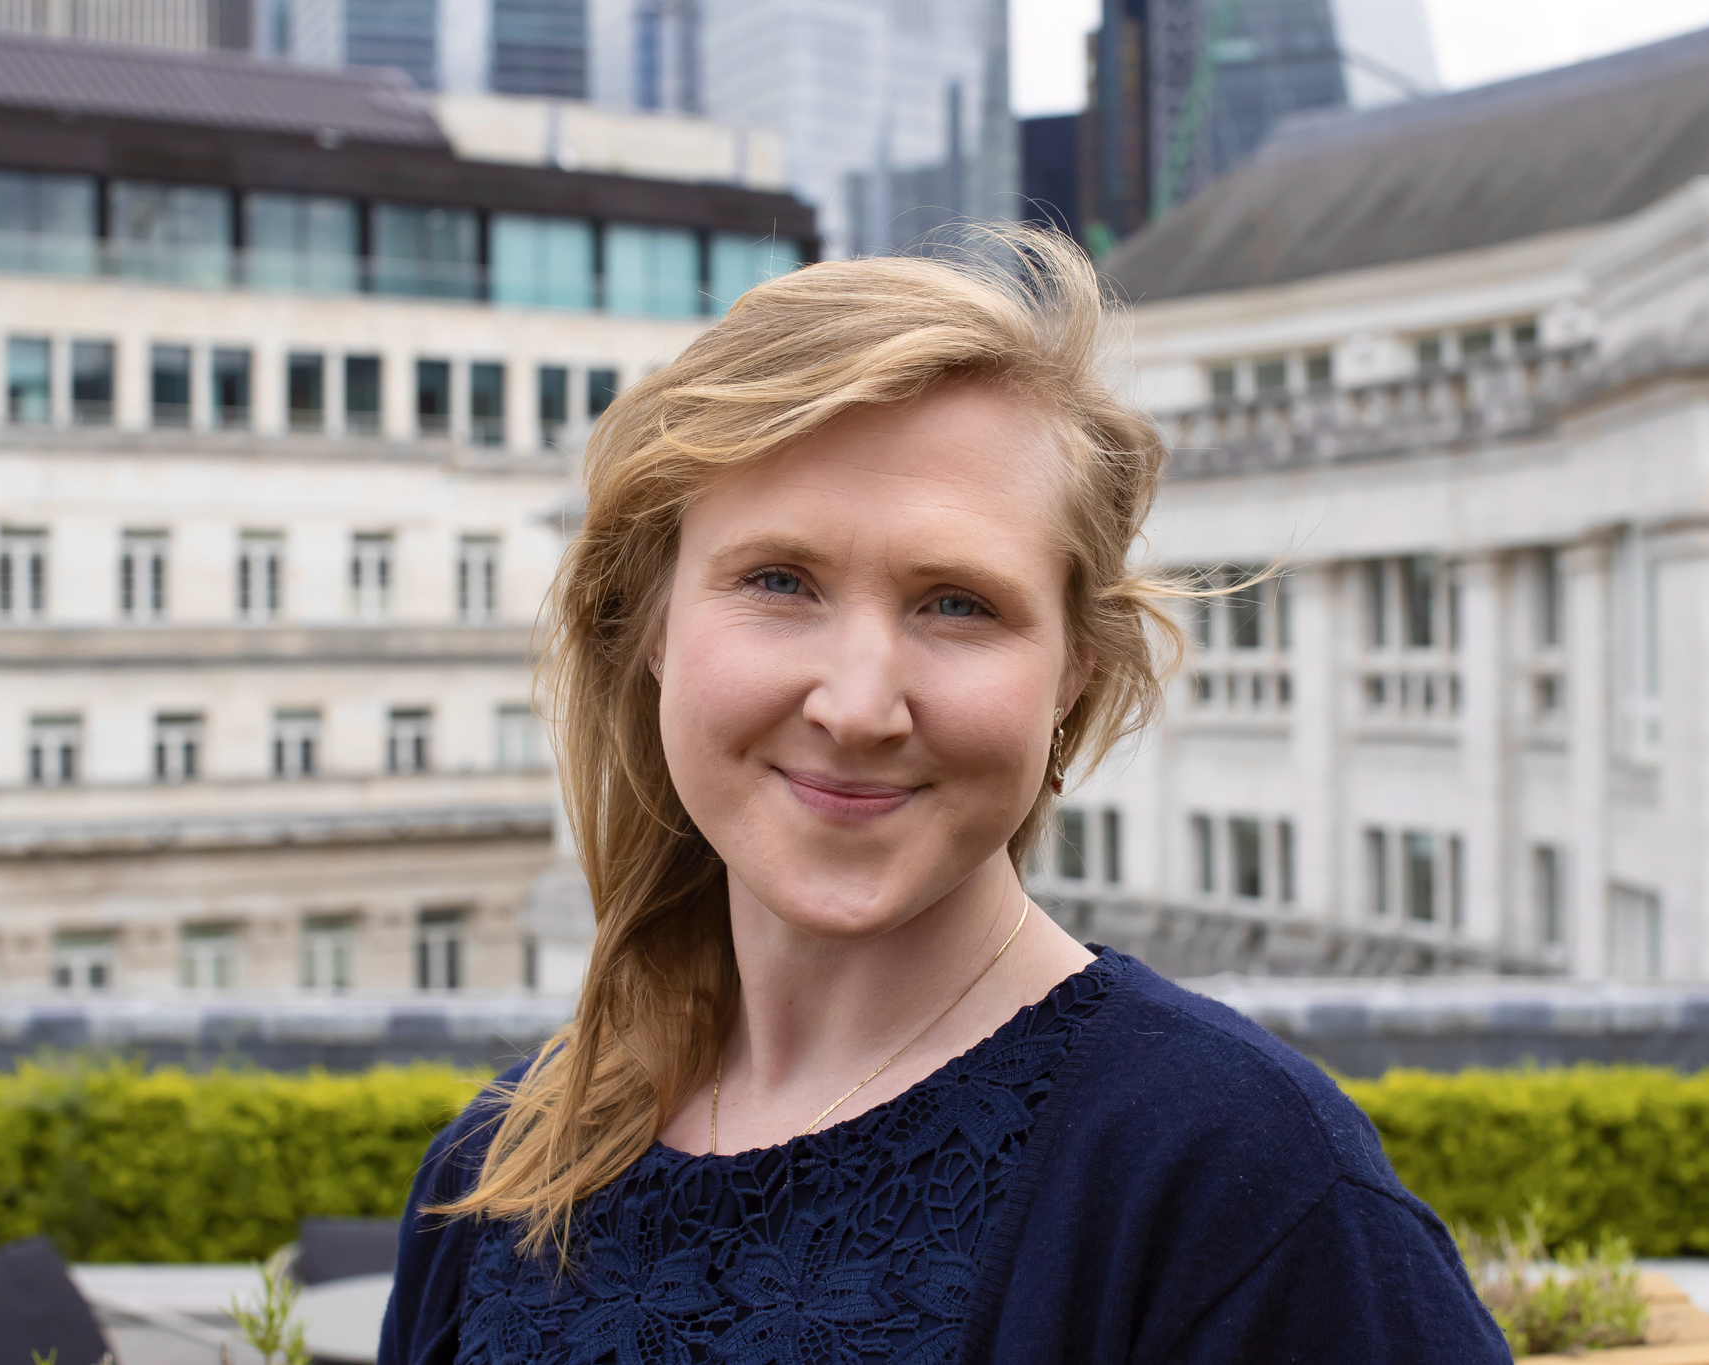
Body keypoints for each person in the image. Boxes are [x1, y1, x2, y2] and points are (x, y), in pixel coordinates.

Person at [379, 228, 1508, 1364]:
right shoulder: (498, 1173)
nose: (859, 705)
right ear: (650, 628)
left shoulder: (1238, 1183)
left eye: (957, 604)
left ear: (1074, 669)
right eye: (779, 581)